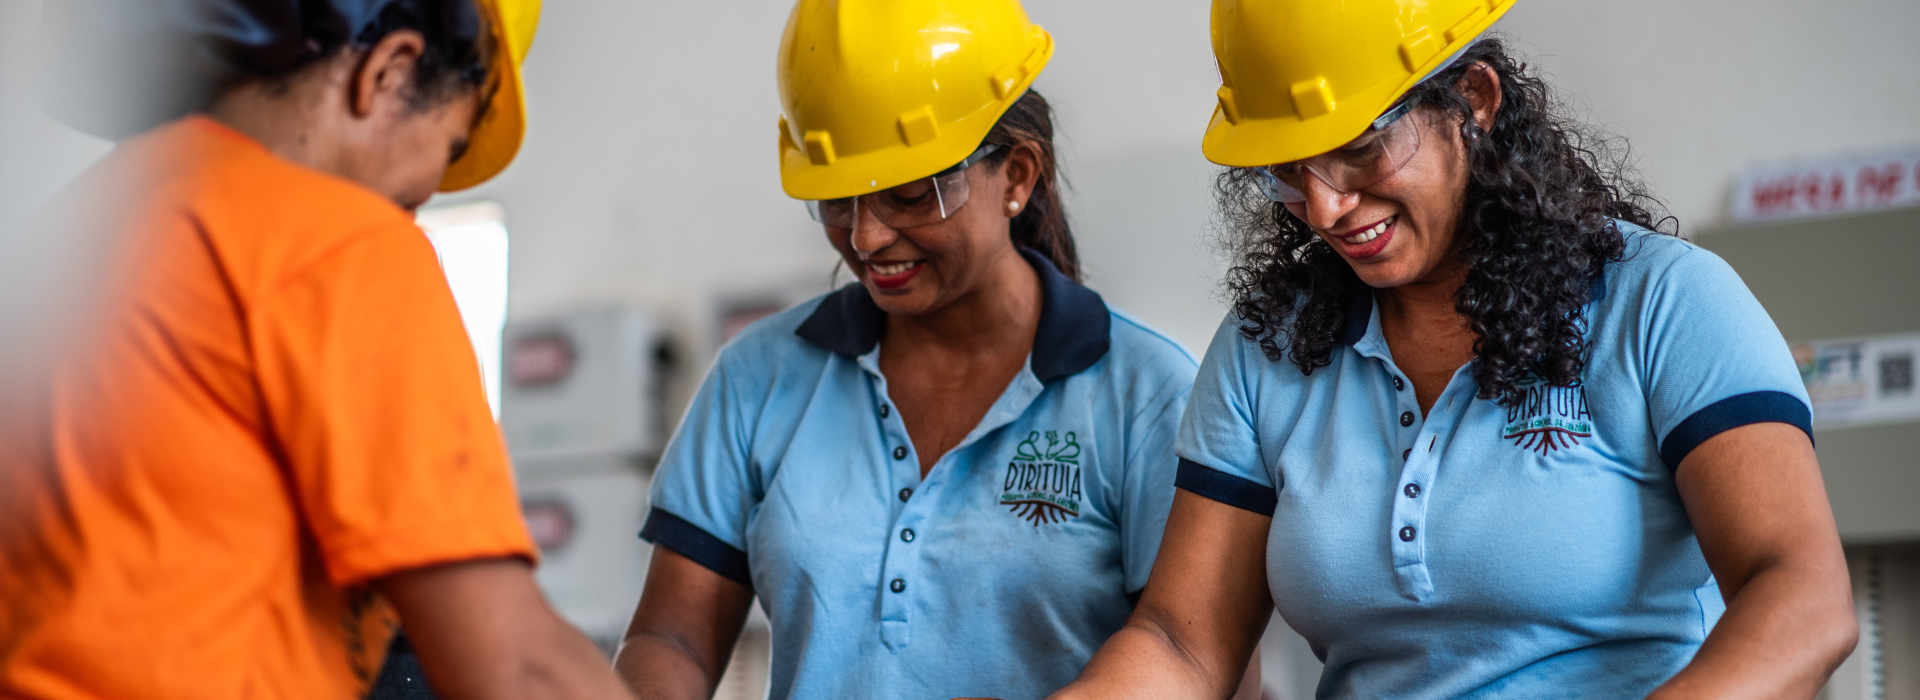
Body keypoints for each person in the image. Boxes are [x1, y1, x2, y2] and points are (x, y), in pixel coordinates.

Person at [1052, 1, 1857, 698]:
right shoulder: (1271, 346)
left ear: (1473, 100)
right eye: (1289, 170)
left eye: (1362, 146)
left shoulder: (1662, 302)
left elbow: (1801, 598)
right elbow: (1184, 644)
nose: (1327, 206)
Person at [0, 1, 633, 698]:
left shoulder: (55, 247)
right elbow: (518, 670)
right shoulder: (338, 243)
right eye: (450, 145)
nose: (420, 202)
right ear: (388, 73)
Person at [609, 1, 1225, 699]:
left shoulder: (1144, 395)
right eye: (837, 199)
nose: (867, 238)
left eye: (909, 194)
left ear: (1017, 176)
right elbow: (672, 637)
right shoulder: (759, 379)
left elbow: (1198, 659)